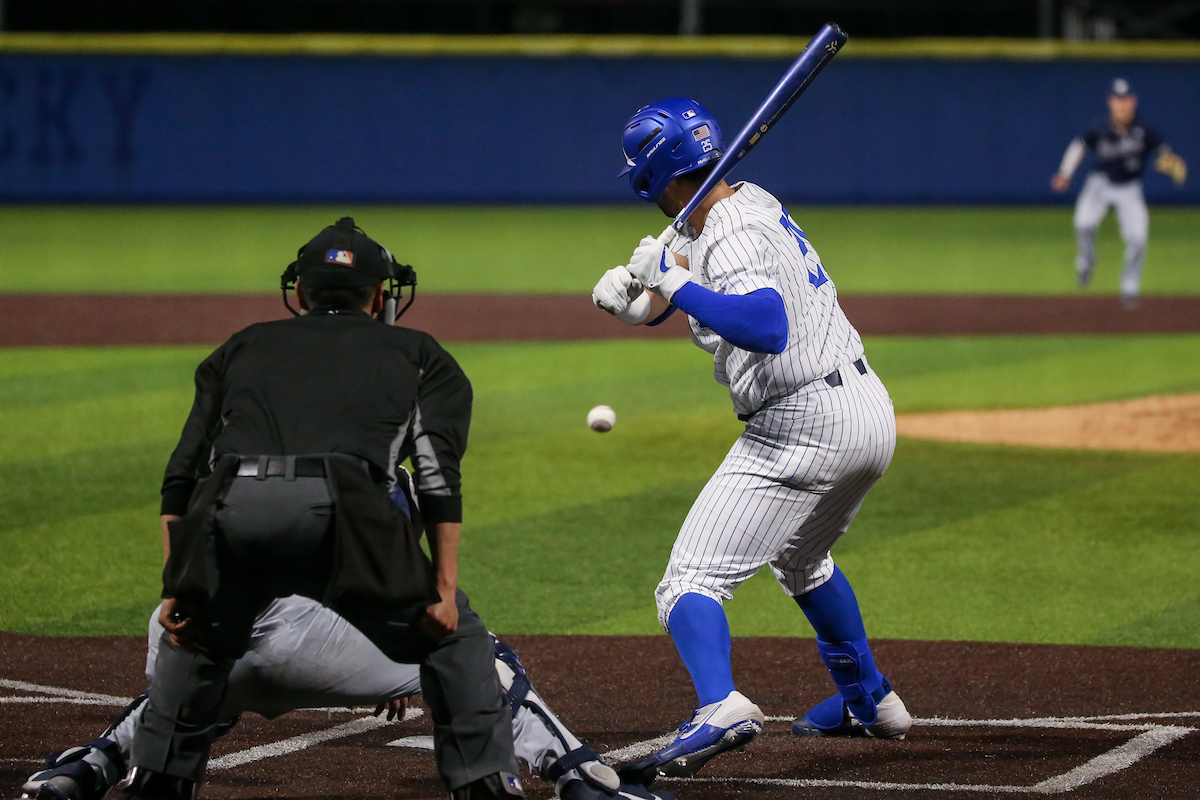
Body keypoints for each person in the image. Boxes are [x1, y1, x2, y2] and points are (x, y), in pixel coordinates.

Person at [120, 217, 520, 800]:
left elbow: (183, 474)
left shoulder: (240, 346)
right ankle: (484, 786)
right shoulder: (417, 353)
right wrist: (441, 586)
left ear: (300, 293)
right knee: (456, 639)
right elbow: (436, 475)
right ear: (381, 294)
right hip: (344, 517)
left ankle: (154, 779)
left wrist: (177, 584)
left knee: (195, 636)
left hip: (232, 509)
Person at [591, 97, 912, 782]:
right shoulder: (738, 202)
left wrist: (671, 280)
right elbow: (673, 289)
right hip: (865, 412)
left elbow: (765, 326)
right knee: (802, 559)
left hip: (803, 425)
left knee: (689, 581)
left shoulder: (729, 228)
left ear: (651, 175)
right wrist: (639, 302)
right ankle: (870, 700)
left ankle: (720, 706)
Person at [20, 589, 670, 800]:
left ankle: (89, 765)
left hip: (182, 619)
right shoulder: (359, 437)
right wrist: (397, 653)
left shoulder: (227, 435)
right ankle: (579, 776)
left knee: (192, 701)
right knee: (473, 648)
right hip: (300, 628)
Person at [1051, 77, 1187, 308]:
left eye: (1126, 99)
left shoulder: (1145, 130)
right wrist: (1065, 172)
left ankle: (1130, 288)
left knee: (1138, 239)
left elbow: (1165, 153)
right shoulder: (1099, 128)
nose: (1122, 104)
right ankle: (1085, 261)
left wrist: (1170, 162)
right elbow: (1079, 147)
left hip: (1129, 189)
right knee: (1083, 224)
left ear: (1133, 102)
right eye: (1117, 99)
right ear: (1110, 102)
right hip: (1099, 185)